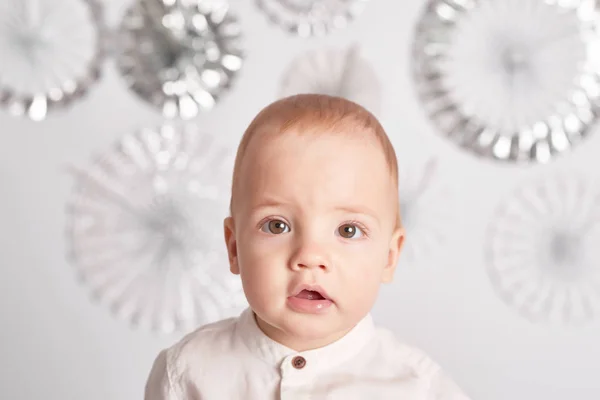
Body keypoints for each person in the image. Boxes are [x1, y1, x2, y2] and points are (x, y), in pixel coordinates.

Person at [144, 94, 470, 399]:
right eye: (277, 225)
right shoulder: (188, 373)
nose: (310, 256)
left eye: (348, 229)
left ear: (389, 256)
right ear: (234, 247)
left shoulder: (418, 388)